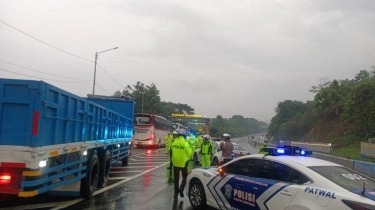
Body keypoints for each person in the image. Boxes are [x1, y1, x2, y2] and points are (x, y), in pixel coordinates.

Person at [171, 129, 192, 199]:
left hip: (175, 163)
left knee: (176, 179)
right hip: (183, 163)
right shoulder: (185, 143)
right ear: (184, 135)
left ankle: (175, 193)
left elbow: (170, 151)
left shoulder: (174, 142)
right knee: (185, 177)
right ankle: (181, 188)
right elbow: (189, 153)